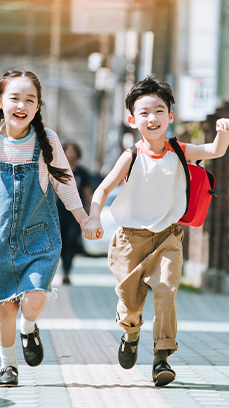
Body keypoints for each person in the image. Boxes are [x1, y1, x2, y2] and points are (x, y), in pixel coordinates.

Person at [82, 74, 229, 386]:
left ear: (170, 116)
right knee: (129, 301)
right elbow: (102, 190)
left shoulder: (178, 150)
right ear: (132, 119)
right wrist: (93, 217)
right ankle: (131, 332)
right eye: (144, 112)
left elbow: (214, 151)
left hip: (168, 237)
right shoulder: (131, 155)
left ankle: (162, 357)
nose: (152, 118)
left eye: (159, 111)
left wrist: (223, 134)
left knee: (165, 290)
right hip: (129, 240)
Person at [0, 70, 90, 388]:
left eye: (30, 99)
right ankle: (8, 366)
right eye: (14, 98)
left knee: (34, 300)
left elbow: (64, 182)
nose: (21, 105)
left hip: (39, 237)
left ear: (38, 106)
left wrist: (83, 218)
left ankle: (29, 327)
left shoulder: (46, 140)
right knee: (5, 307)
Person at [56, 141, 92, 284]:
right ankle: (62, 268)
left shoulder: (82, 173)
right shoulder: (58, 170)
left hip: (76, 214)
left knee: (71, 241)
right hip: (60, 212)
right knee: (61, 242)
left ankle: (66, 271)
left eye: (73, 150)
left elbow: (87, 193)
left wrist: (90, 213)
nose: (70, 152)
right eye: (67, 150)